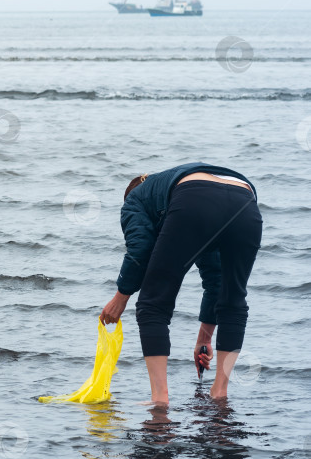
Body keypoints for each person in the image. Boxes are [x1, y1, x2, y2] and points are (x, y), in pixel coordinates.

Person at [99, 163, 262, 404]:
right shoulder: (169, 187)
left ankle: (159, 400)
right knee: (233, 300)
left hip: (195, 198)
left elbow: (141, 247)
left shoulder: (134, 198)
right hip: (246, 201)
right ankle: (219, 393)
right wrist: (204, 338)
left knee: (152, 304)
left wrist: (120, 298)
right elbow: (215, 280)